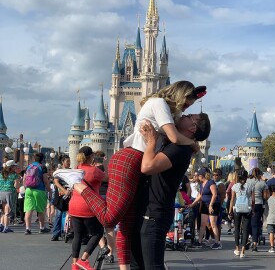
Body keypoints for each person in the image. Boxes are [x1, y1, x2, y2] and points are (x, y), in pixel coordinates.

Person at [54, 81, 207, 270]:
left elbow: (171, 137)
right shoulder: (159, 104)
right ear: (179, 94)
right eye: (187, 103)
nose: (186, 109)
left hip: (137, 161)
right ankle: (77, 181)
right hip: (130, 159)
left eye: (190, 109)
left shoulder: (168, 115)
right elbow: (174, 138)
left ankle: (124, 267)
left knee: (128, 224)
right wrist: (194, 145)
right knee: (110, 219)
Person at [130, 112, 210, 270]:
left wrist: (151, 141)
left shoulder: (179, 149)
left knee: (152, 266)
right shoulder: (176, 143)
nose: (184, 114)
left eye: (189, 116)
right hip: (146, 211)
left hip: (154, 215)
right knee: (137, 265)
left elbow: (147, 167)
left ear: (193, 127)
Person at [68, 146, 104, 270]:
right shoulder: (94, 171)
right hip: (88, 206)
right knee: (97, 232)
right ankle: (84, 259)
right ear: (91, 157)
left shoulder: (76, 169)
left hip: (74, 205)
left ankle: (74, 265)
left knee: (77, 235)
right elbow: (108, 178)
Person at [189, 168, 221, 250]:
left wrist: (211, 205)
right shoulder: (201, 184)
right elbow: (200, 196)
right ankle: (199, 242)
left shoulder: (211, 182)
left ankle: (217, 242)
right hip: (204, 205)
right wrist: (192, 204)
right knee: (203, 224)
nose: (197, 177)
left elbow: (214, 195)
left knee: (213, 224)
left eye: (198, 176)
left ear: (201, 176)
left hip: (213, 205)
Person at [94, 150, 115, 264]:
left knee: (96, 226)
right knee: (109, 227)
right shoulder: (109, 169)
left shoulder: (94, 170)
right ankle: (111, 254)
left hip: (97, 198)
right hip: (109, 197)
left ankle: (103, 247)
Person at [23, 153, 52, 235]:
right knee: (41, 210)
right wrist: (50, 191)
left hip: (29, 189)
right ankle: (42, 228)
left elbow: (24, 179)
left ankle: (28, 229)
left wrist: (26, 188)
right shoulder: (42, 167)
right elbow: (45, 181)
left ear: (34, 158)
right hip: (39, 190)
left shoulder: (29, 166)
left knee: (28, 210)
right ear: (42, 159)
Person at [229, 169, 254, 258]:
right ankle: (243, 251)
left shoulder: (235, 186)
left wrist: (230, 210)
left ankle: (237, 249)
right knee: (245, 229)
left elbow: (232, 199)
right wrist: (253, 209)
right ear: (246, 177)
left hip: (237, 209)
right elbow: (253, 199)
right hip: (247, 209)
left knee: (237, 228)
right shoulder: (250, 186)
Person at [248, 167, 268, 252]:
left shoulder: (248, 182)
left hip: (248, 204)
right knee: (256, 224)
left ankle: (249, 238)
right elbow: (265, 196)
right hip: (258, 204)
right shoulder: (263, 183)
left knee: (247, 223)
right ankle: (255, 243)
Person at [51, 155, 71, 241]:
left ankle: (65, 232)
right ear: (62, 162)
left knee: (66, 215)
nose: (69, 163)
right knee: (59, 214)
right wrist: (64, 190)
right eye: (67, 161)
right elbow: (56, 182)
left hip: (69, 195)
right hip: (60, 196)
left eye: (69, 161)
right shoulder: (59, 172)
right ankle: (56, 233)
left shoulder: (71, 171)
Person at [0, 160, 21, 233]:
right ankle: (6, 227)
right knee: (7, 212)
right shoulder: (14, 175)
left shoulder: (1, 174)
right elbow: (16, 186)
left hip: (1, 192)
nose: (16, 167)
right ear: (11, 167)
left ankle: (1, 225)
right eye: (14, 166)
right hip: (10, 193)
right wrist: (18, 181)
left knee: (3, 211)